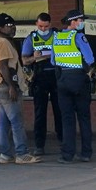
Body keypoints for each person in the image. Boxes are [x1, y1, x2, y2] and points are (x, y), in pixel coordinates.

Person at [0, 13, 41, 164]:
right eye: (9, 26)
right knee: (16, 121)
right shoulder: (3, 43)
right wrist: (12, 86)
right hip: (7, 87)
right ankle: (21, 153)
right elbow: (4, 66)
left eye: (13, 25)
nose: (13, 28)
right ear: (0, 28)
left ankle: (5, 154)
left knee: (4, 122)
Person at [51, 9, 94, 164]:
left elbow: (53, 61)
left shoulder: (56, 37)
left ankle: (67, 154)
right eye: (80, 20)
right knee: (83, 118)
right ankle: (86, 153)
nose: (82, 23)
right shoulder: (79, 36)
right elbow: (90, 58)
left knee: (67, 119)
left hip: (62, 80)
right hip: (79, 80)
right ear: (73, 22)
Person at [21, 12, 62, 156]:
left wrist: (46, 55)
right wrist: (34, 57)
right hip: (40, 77)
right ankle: (39, 146)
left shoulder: (58, 35)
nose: (43, 29)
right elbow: (24, 61)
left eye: (46, 26)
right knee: (40, 113)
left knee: (60, 112)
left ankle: (64, 143)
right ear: (36, 24)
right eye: (40, 26)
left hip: (57, 76)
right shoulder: (31, 38)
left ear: (50, 24)